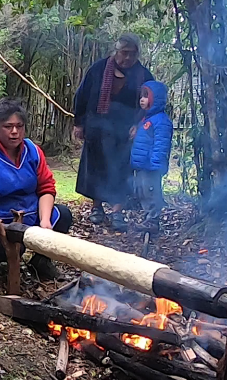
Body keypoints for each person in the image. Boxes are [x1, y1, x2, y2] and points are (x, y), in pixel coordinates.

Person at [0, 99, 73, 279]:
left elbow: (46, 188)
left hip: (32, 214)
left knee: (63, 215)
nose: (14, 132)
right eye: (8, 126)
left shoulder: (33, 151)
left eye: (19, 126)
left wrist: (45, 221)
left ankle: (42, 261)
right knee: (8, 246)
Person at [74, 33, 152, 232]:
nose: (127, 58)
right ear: (116, 52)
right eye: (124, 53)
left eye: (132, 54)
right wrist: (79, 123)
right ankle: (97, 208)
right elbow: (82, 95)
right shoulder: (99, 69)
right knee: (96, 168)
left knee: (120, 170)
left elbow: (152, 102)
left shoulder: (143, 75)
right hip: (97, 128)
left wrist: (140, 123)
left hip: (125, 132)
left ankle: (117, 211)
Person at [130, 80, 173, 234]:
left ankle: (153, 220)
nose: (142, 99)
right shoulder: (146, 120)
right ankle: (148, 218)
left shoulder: (161, 121)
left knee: (151, 192)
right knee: (142, 192)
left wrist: (156, 164)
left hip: (151, 167)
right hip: (142, 166)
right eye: (141, 96)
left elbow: (161, 144)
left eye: (146, 96)